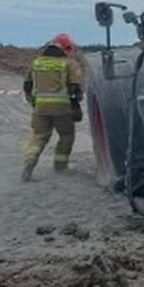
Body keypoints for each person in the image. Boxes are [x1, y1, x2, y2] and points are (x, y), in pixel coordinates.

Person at [21, 34, 85, 181]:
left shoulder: (36, 63)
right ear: (66, 48)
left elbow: (27, 85)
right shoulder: (69, 64)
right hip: (62, 108)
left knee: (39, 136)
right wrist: (76, 106)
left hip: (40, 108)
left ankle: (29, 164)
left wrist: (33, 102)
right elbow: (75, 88)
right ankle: (60, 167)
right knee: (66, 135)